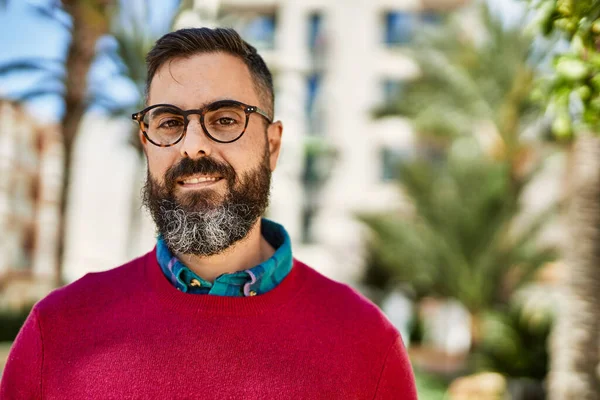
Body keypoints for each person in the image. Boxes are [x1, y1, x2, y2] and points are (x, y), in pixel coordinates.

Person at [0, 27, 417, 399]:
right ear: (146, 144)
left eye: (224, 119)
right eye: (168, 122)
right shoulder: (55, 331)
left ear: (272, 146)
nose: (192, 145)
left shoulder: (368, 346)